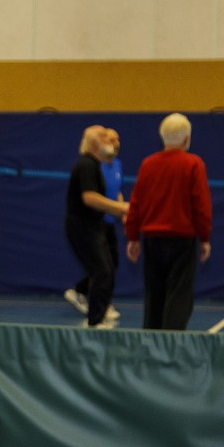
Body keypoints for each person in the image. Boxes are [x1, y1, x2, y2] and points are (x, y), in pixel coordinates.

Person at [125, 113, 211, 330]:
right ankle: (171, 344)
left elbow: (136, 203)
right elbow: (201, 204)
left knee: (154, 294)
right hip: (182, 239)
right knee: (179, 293)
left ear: (162, 137)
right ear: (186, 139)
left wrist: (133, 236)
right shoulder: (194, 164)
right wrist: (205, 238)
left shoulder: (148, 164)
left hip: (153, 239)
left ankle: (152, 340)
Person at [65, 125, 129, 328]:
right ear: (94, 143)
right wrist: (121, 207)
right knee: (102, 270)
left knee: (107, 268)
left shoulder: (97, 164)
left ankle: (98, 316)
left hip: (95, 225)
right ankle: (94, 320)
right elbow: (89, 197)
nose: (110, 141)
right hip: (82, 226)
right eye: (104, 137)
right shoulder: (87, 165)